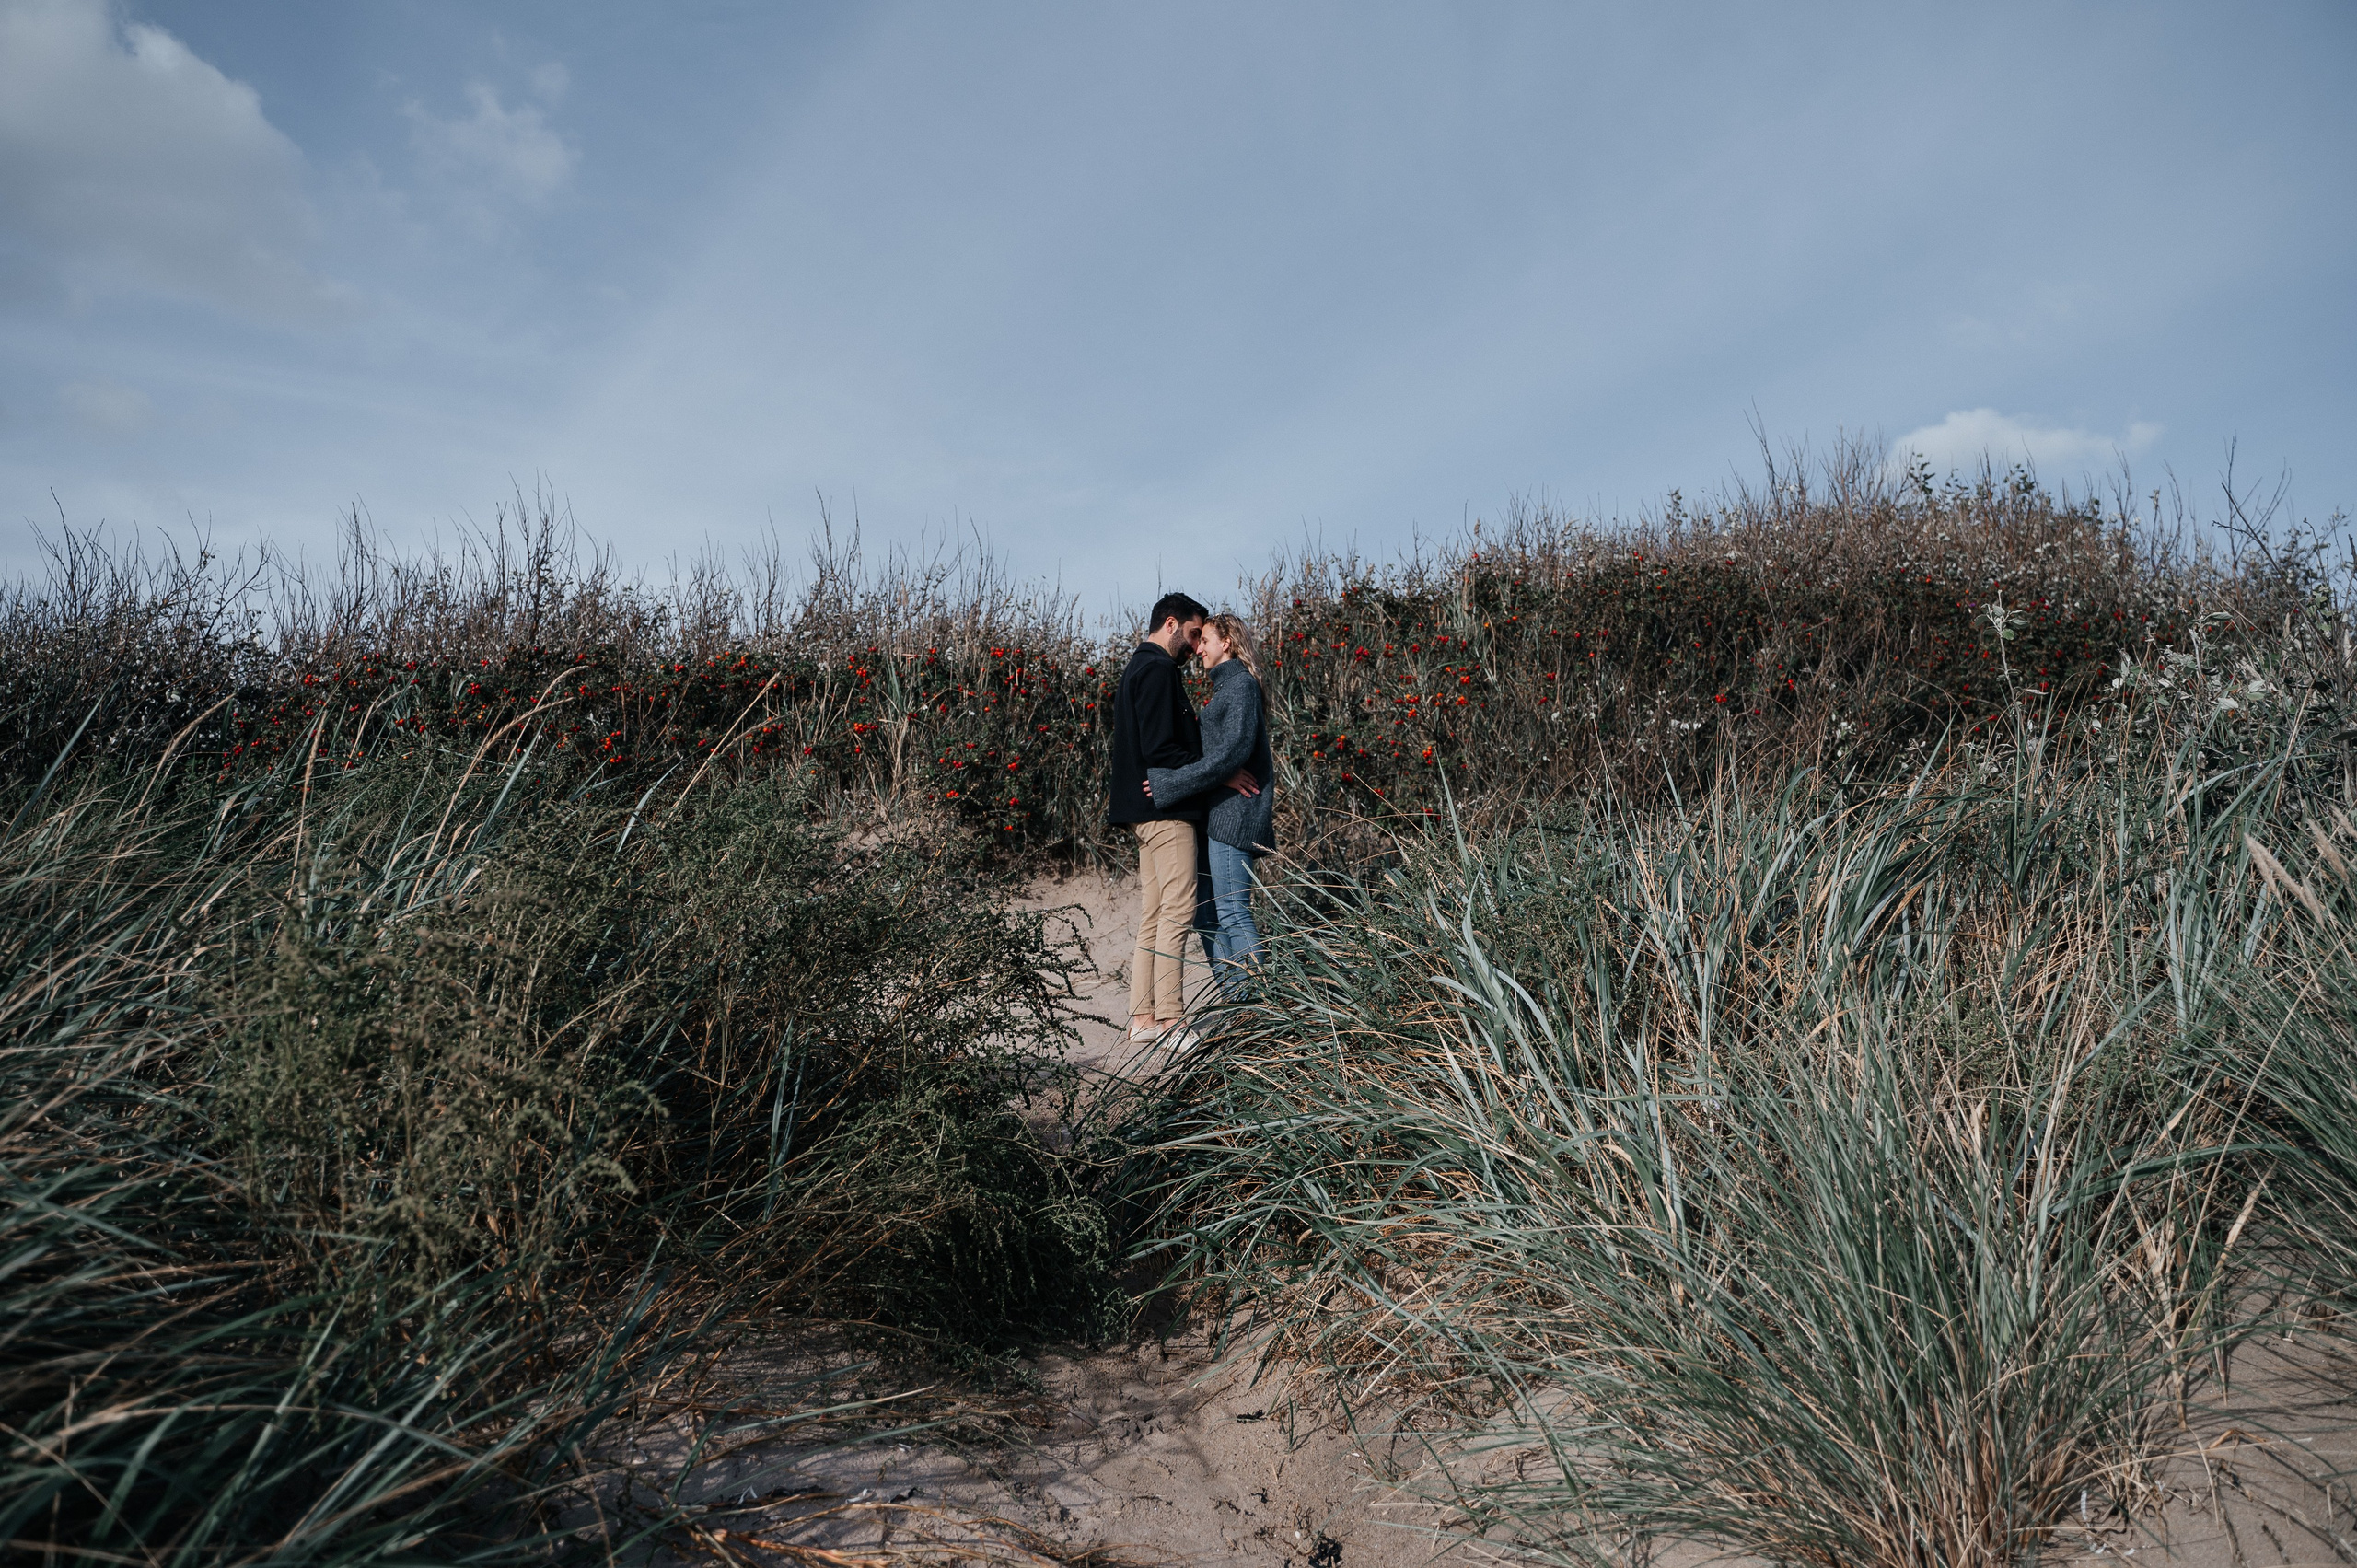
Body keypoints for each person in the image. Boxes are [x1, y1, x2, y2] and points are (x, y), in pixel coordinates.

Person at [1107, 591, 1252, 1042]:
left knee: (1154, 911)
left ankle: (1142, 1018)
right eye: (1192, 633)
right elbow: (1162, 750)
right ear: (1171, 624)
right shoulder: (1155, 670)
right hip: (1165, 812)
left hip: (1143, 810)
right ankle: (1171, 1019)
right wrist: (1219, 775)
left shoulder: (1138, 668)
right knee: (1179, 909)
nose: (1194, 646)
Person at [1143, 611, 1274, 1000]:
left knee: (1233, 911)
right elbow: (1220, 757)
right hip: (1219, 813)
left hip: (1236, 815)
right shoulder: (1226, 689)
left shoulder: (1242, 688)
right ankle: (1239, 1005)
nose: (1197, 648)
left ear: (1227, 643)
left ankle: (1263, 1012)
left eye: (1205, 640)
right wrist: (1217, 774)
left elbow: (1233, 752)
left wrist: (1169, 782)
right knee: (1206, 915)